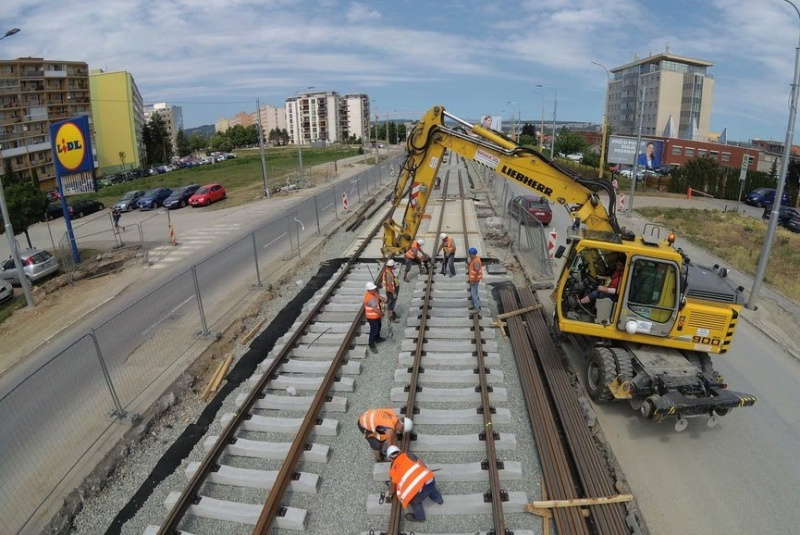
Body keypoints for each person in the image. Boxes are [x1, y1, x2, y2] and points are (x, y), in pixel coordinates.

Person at [385, 446, 444, 522]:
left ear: (390, 458)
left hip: (421, 490)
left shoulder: (393, 469)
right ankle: (439, 500)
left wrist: (389, 494)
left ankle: (420, 518)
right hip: (429, 479)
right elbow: (423, 465)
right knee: (432, 489)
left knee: (415, 502)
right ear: (399, 452)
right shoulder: (408, 455)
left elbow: (393, 486)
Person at [364, 281, 386, 354]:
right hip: (372, 318)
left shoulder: (370, 294)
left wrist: (383, 299)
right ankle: (371, 344)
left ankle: (378, 338)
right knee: (374, 331)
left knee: (379, 326)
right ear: (369, 290)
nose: (375, 290)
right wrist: (381, 314)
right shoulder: (371, 299)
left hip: (376, 317)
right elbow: (375, 309)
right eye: (373, 289)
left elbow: (378, 296)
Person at [468, 247, 482, 314]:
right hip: (475, 279)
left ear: (473, 254)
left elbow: (476, 272)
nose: (470, 255)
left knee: (473, 294)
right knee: (475, 292)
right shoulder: (475, 259)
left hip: (475, 280)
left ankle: (476, 308)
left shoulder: (476, 261)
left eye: (470, 254)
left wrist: (472, 280)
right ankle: (475, 305)